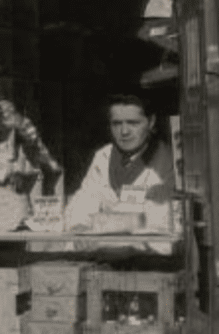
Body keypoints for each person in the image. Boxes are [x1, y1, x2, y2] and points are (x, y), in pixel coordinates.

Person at [64, 94, 174, 231]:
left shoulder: (168, 160)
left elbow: (160, 216)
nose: (124, 131)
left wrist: (102, 223)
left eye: (133, 123)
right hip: (102, 246)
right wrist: (79, 224)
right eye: (116, 124)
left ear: (151, 122)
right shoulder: (103, 156)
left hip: (147, 248)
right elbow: (86, 196)